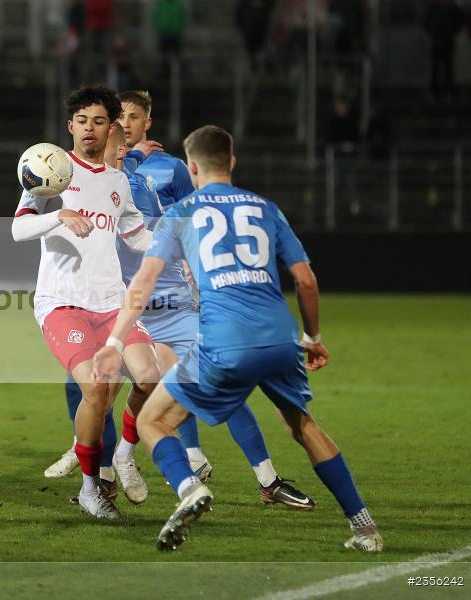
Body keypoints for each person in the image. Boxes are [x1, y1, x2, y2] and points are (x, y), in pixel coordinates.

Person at [93, 125, 382, 552]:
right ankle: (364, 527)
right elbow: (305, 280)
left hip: (224, 341)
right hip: (280, 339)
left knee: (153, 421)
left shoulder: (181, 213)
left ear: (192, 168)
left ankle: (191, 488)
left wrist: (115, 342)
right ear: (232, 162)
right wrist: (313, 336)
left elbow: (142, 284)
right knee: (303, 425)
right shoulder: (267, 208)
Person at [50, 91, 316, 511]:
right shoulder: (82, 179)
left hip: (168, 301)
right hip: (117, 304)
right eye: (115, 125)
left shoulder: (155, 177)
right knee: (95, 389)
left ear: (142, 127)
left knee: (211, 375)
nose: (120, 133)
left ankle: (258, 476)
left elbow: (188, 219)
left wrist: (194, 259)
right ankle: (102, 474)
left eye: (128, 122)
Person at [12, 85, 160, 520]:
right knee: (96, 388)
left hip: (111, 302)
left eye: (98, 121)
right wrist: (58, 215)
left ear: (111, 128)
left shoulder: (118, 181)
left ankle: (124, 456)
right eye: (81, 121)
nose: (89, 129)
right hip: (62, 303)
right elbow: (18, 230)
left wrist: (178, 248)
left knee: (150, 377)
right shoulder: (49, 168)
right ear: (70, 126)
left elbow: (136, 236)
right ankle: (91, 488)